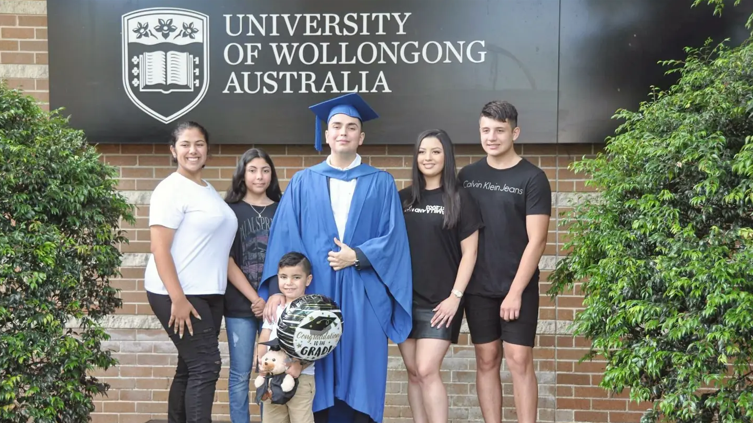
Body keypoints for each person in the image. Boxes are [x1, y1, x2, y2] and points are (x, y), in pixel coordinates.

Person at [258, 92, 413, 423]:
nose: (344, 132)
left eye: (352, 127)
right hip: (316, 292)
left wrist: (357, 255)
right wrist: (276, 288)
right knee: (317, 370)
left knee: (362, 365)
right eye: (336, 126)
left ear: (361, 136)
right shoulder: (303, 182)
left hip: (363, 290)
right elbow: (285, 237)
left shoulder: (382, 182)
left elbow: (394, 239)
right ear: (326, 134)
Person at [458, 101, 551, 423]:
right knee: (486, 359)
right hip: (478, 287)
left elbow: (537, 240)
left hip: (518, 286)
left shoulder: (533, 177)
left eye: (499, 130)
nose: (492, 137)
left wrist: (514, 292)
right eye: (486, 130)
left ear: (515, 132)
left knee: (519, 359)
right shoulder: (467, 176)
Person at [144, 121, 238, 423]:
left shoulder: (206, 189)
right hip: (179, 293)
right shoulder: (170, 189)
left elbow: (220, 253)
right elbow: (160, 248)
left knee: (189, 365)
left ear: (207, 150)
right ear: (173, 150)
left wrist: (252, 296)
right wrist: (178, 298)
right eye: (185, 144)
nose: (192, 150)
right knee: (206, 366)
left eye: (199, 144)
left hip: (209, 292)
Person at [398, 129, 482, 423]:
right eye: (422, 151)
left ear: (446, 156)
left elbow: (470, 253)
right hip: (405, 301)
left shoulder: (461, 199)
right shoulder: (403, 199)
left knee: (426, 368)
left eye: (435, 151)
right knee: (412, 371)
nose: (427, 157)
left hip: (441, 303)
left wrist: (455, 298)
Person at [223, 148, 283, 423]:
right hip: (240, 305)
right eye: (253, 170)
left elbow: (290, 259)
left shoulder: (282, 209)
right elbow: (226, 260)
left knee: (269, 370)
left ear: (272, 175)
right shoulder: (230, 211)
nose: (259, 176)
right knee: (240, 373)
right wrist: (254, 298)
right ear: (242, 174)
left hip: (275, 305)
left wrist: (272, 297)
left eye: (265, 170)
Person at [256, 252, 317, 423]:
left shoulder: (313, 310)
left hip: (301, 377)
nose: (289, 283)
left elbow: (317, 346)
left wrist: (300, 365)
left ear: (308, 279)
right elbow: (265, 336)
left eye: (296, 277)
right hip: (272, 376)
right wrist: (260, 361)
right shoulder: (274, 308)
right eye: (283, 277)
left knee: (301, 419)